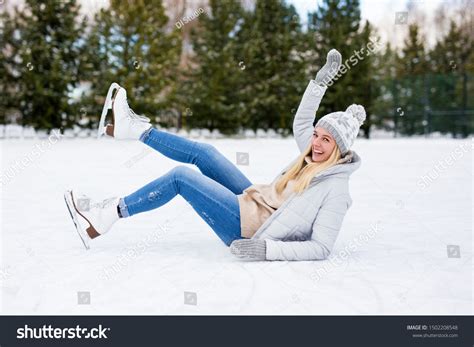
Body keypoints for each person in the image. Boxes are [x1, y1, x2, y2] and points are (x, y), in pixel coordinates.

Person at [64, 49, 364, 261]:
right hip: (254, 200)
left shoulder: (336, 188)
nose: (316, 143)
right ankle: (133, 129)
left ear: (339, 150)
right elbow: (302, 122)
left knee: (181, 178)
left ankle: (105, 216)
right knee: (205, 153)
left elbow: (321, 247)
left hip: (251, 230)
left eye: (326, 140)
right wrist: (320, 84)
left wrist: (266, 251)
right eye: (317, 135)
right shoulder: (312, 155)